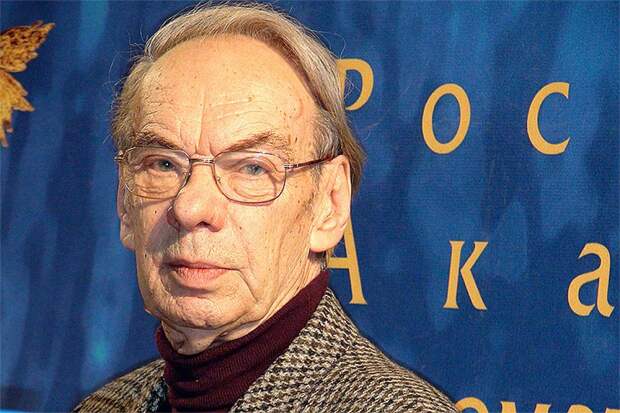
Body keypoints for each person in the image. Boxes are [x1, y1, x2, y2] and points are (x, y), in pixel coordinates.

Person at [74, 3, 457, 412]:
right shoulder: (105, 406)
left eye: (252, 168)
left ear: (329, 205)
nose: (191, 206)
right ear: (124, 200)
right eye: (163, 164)